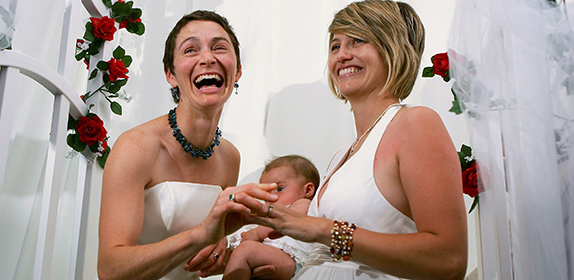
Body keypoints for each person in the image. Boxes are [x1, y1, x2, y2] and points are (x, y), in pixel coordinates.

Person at [247, 1, 468, 279]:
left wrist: (321, 229)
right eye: (335, 46)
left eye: (357, 41)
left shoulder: (415, 123)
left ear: (392, 48)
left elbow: (449, 260)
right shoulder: (341, 156)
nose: (342, 55)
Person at [97, 10, 278, 280]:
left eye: (219, 47)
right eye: (191, 50)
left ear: (237, 70)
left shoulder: (230, 157)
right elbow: (110, 270)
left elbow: (209, 248)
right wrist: (200, 235)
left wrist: (223, 254)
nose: (207, 58)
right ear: (170, 74)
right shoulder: (136, 147)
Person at [222, 155, 320, 280]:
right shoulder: (268, 212)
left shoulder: (304, 204)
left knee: (245, 251)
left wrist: (256, 233)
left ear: (308, 190)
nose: (270, 197)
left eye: (279, 189)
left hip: (295, 262)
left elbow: (284, 221)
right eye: (265, 193)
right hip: (274, 258)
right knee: (239, 254)